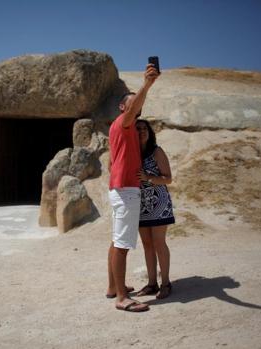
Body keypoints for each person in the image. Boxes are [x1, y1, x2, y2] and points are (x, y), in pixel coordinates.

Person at [106, 64, 159, 312]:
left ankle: (113, 288)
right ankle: (122, 300)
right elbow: (133, 108)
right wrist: (147, 84)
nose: (138, 106)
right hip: (126, 190)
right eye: (133, 103)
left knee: (116, 241)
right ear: (123, 107)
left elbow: (110, 163)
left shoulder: (121, 130)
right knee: (122, 245)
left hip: (119, 188)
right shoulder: (124, 122)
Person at [134, 119, 175, 299]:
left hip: (159, 204)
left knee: (159, 243)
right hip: (140, 204)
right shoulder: (132, 153)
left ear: (149, 132)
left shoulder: (157, 151)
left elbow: (168, 179)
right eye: (138, 129)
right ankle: (152, 284)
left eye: (145, 129)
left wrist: (148, 177)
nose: (142, 131)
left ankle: (166, 283)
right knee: (146, 244)